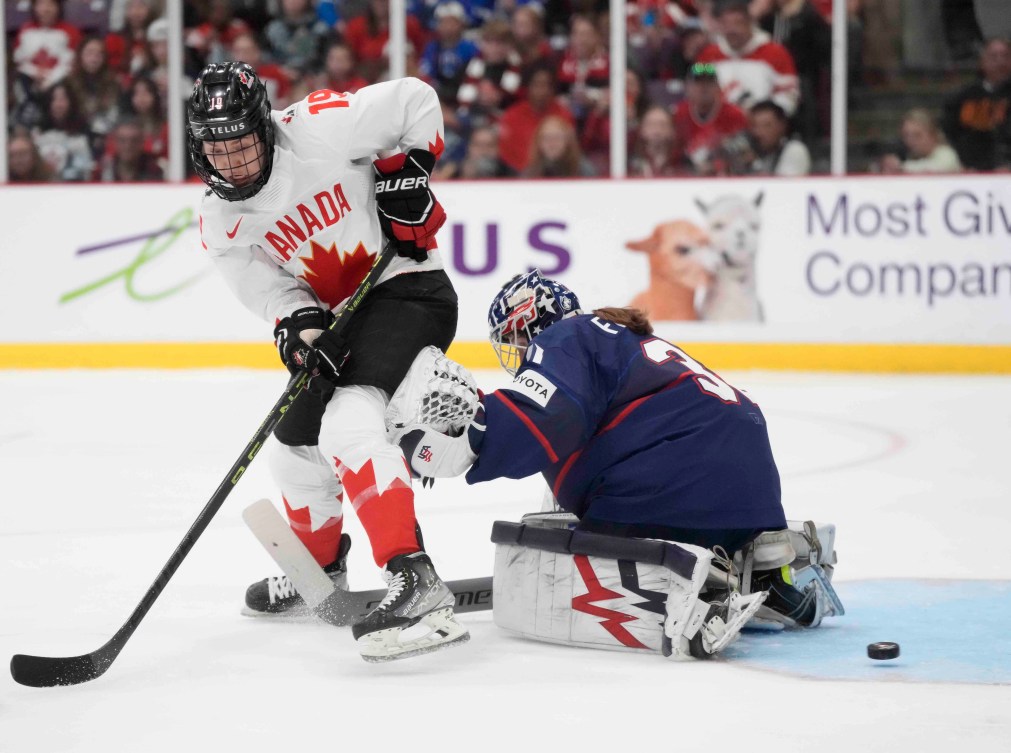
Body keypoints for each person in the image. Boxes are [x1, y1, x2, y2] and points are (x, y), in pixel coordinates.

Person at [392, 270, 845, 654]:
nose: (514, 351)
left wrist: (466, 441)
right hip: (749, 490)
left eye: (512, 338)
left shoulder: (566, 337)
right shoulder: (620, 338)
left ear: (531, 323)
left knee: (569, 540)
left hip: (681, 482)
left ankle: (705, 588)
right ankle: (768, 572)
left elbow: (548, 414)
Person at [185, 62, 468, 662]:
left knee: (348, 422)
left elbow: (416, 99)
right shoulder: (219, 219)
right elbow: (274, 291)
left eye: (242, 144)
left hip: (407, 290)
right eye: (219, 150)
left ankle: (414, 578)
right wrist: (302, 325)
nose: (233, 162)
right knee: (294, 445)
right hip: (341, 318)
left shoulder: (321, 127)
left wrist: (413, 167)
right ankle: (321, 573)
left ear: (264, 125)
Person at [695, 0, 799, 116]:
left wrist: (765, 115)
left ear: (749, 22)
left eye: (737, 23)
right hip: (720, 123)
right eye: (725, 24)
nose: (731, 30)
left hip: (761, 124)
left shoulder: (774, 52)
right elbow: (698, 87)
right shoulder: (709, 55)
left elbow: (788, 94)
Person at [942, 37, 1011, 172]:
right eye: (993, 56)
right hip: (971, 167)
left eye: (1006, 56)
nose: (1000, 62)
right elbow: (951, 131)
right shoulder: (963, 97)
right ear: (982, 61)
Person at [881, 109, 963, 174]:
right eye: (906, 135)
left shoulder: (947, 154)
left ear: (933, 134)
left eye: (917, 135)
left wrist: (901, 167)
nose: (910, 141)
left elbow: (937, 168)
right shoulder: (910, 156)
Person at [743, 99, 811, 175]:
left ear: (782, 126)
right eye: (755, 126)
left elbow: (783, 185)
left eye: (766, 126)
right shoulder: (752, 150)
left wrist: (754, 164)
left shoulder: (795, 149)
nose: (759, 132)